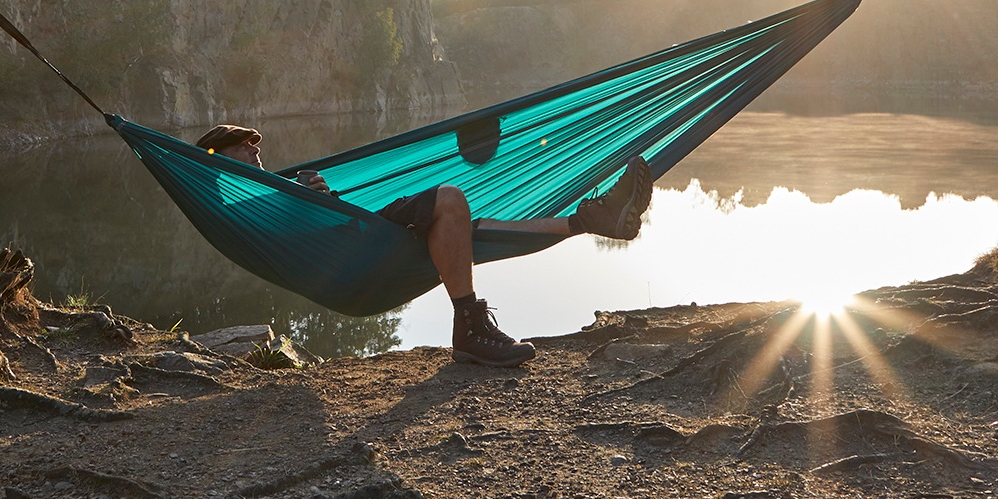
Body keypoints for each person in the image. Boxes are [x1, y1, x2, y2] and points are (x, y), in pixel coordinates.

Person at [193, 123, 653, 367]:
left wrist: (322, 197)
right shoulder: (248, 205)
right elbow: (301, 237)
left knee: (468, 224)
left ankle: (590, 220)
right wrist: (310, 202)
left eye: (255, 147)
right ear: (215, 164)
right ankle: (470, 328)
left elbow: (327, 223)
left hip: (372, 238)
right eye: (242, 149)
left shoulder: (280, 188)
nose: (256, 153)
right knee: (450, 201)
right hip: (357, 256)